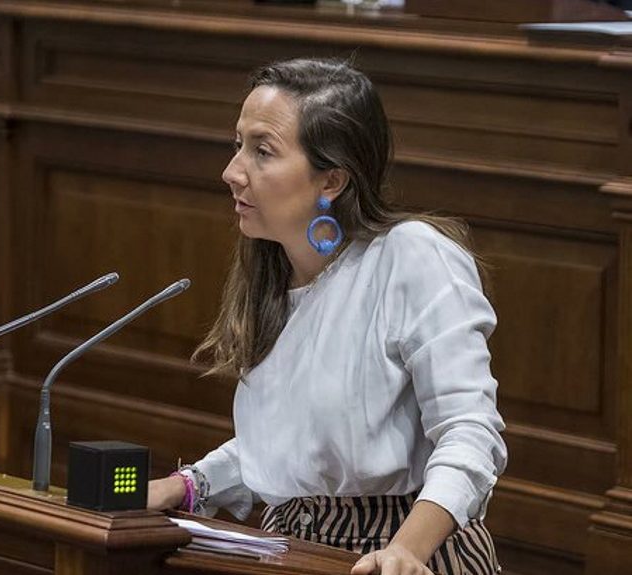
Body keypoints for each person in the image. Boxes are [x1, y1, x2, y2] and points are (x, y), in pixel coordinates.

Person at [147, 58, 508, 575]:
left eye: (262, 151)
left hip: (401, 550)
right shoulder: (274, 275)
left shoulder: (411, 256)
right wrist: (188, 486)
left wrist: (407, 550)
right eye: (237, 144)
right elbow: (301, 451)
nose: (232, 172)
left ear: (332, 180)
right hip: (290, 547)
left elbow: (472, 433)